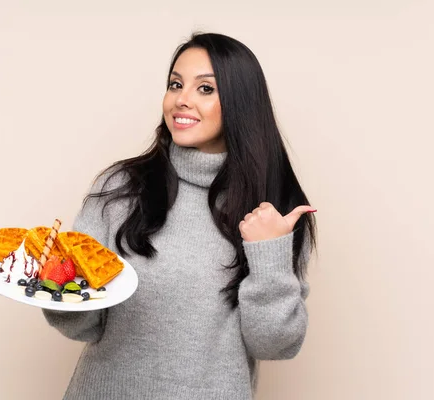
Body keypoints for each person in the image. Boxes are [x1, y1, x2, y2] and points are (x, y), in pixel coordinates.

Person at [43, 32, 317, 400]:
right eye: (175, 84)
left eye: (205, 89)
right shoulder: (120, 188)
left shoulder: (274, 211)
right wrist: (56, 289)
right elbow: (85, 325)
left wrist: (269, 256)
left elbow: (274, 344)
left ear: (240, 103)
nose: (181, 100)